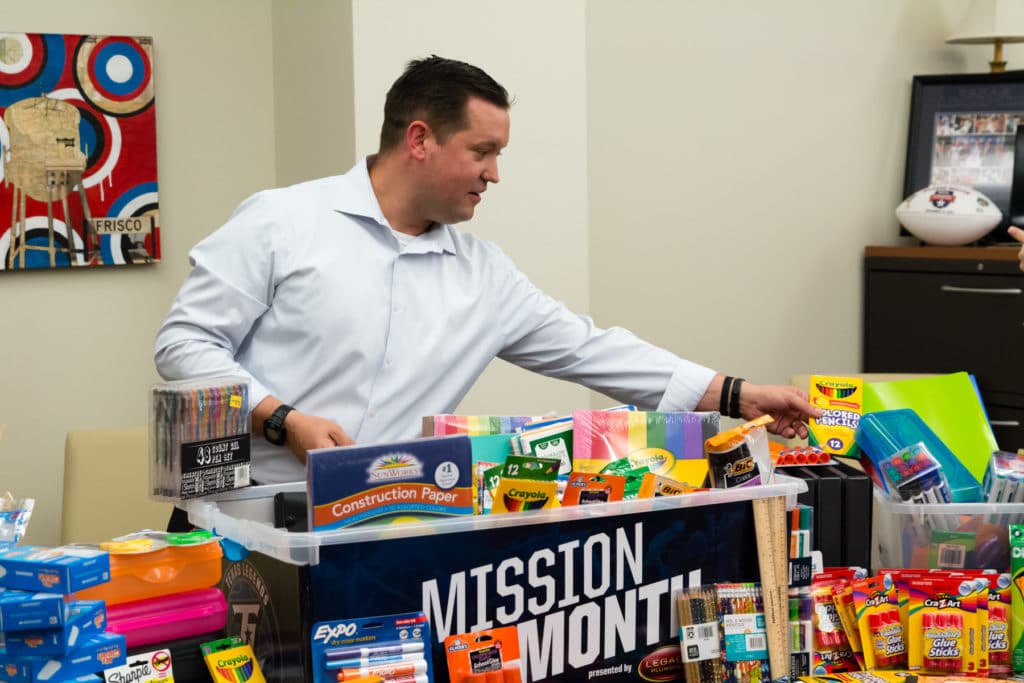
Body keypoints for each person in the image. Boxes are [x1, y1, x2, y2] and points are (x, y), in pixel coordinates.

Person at [154, 55, 821, 492]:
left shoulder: (484, 275)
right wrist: (284, 420)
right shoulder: (281, 221)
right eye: (483, 151)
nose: (494, 174)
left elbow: (594, 348)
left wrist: (737, 394)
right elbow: (183, 347)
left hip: (384, 522)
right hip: (247, 520)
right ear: (420, 139)